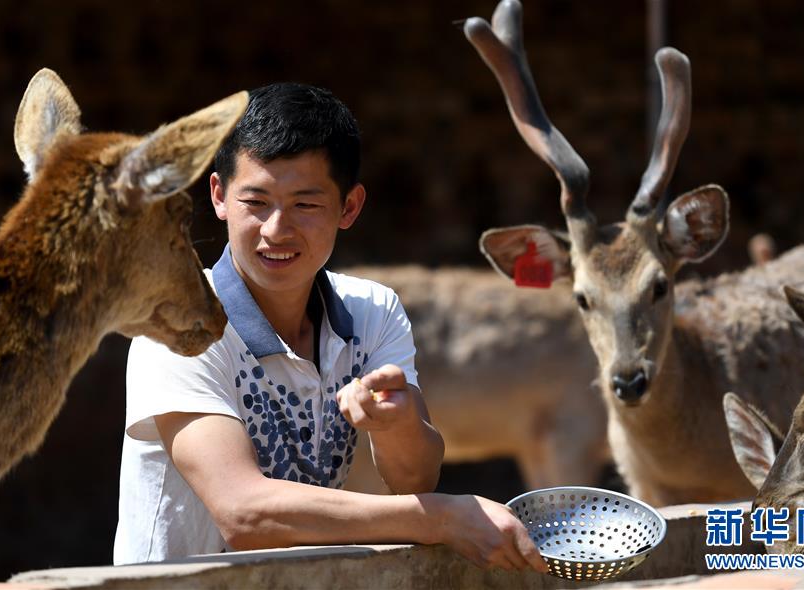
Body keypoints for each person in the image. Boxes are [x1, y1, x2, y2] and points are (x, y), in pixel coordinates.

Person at [113, 82, 545, 573]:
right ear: (218, 196)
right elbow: (244, 513)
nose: (277, 230)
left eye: (306, 205)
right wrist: (442, 518)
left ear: (349, 208)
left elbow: (414, 480)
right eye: (256, 201)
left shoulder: (374, 310)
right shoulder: (178, 326)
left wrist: (398, 426)